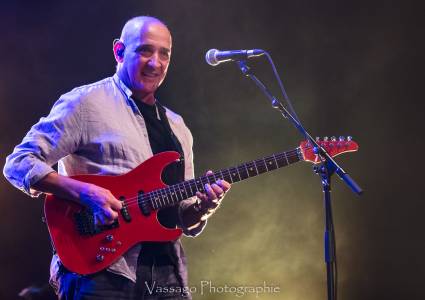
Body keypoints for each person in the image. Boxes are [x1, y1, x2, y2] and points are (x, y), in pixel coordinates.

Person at [3, 16, 230, 300]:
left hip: (167, 275)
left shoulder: (179, 127)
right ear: (119, 51)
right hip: (101, 270)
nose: (155, 63)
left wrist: (203, 207)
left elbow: (181, 215)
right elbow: (19, 162)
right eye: (145, 50)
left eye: (164, 54)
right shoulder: (86, 103)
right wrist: (86, 193)